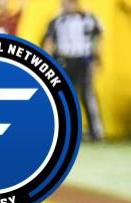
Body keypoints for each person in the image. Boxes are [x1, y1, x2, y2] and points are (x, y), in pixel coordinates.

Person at [43, 0, 104, 141]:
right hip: (64, 60)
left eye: (69, 2)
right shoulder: (57, 20)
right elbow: (49, 40)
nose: (65, 5)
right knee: (62, 95)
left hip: (83, 60)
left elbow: (97, 38)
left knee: (87, 94)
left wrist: (96, 58)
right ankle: (64, 131)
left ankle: (96, 131)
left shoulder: (89, 18)